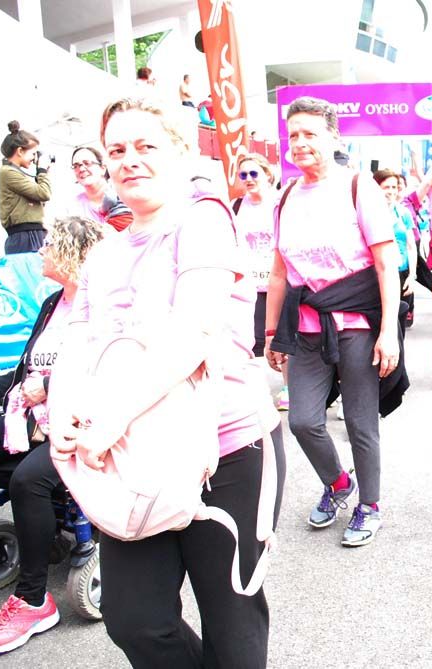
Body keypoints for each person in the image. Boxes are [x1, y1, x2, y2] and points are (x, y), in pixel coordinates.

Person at [49, 96, 279, 668]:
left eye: (146, 145)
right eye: (117, 150)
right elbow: (77, 341)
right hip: (134, 462)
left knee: (232, 629)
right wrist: (62, 415)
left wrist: (110, 418)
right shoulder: (104, 250)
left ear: (179, 152)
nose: (130, 159)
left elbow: (190, 333)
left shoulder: (203, 220)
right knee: (137, 622)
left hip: (225, 453)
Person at [0, 216, 105, 655]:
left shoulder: (102, 308)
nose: (39, 254)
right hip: (29, 417)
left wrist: (55, 386)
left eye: (47, 247)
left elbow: (109, 374)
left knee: (28, 480)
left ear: (70, 252)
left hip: (80, 422)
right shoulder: (52, 304)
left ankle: (33, 599)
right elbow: (26, 373)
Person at [265, 96, 400, 548]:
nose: (300, 143)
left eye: (310, 134)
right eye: (294, 135)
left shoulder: (358, 186)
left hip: (357, 323)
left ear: (333, 138)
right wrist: (270, 332)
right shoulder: (284, 196)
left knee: (362, 423)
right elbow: (280, 271)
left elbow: (385, 263)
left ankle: (370, 504)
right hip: (304, 327)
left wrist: (389, 333)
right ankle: (339, 484)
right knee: (303, 420)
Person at [232, 154, 287, 411]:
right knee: (252, 340)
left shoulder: (280, 203)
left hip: (279, 280)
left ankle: (289, 386)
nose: (249, 180)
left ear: (267, 174)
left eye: (254, 173)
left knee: (283, 337)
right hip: (249, 284)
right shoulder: (235, 207)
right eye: (243, 175)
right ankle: (259, 390)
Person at [0, 121, 53, 254]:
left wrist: (43, 173)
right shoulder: (7, 172)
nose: (34, 158)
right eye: (33, 153)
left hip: (30, 234)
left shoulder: (15, 172)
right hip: (25, 236)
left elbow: (40, 200)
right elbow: (44, 193)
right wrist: (42, 170)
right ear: (20, 151)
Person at [373, 168, 418, 331]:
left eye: (394, 187)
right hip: (376, 274)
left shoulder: (403, 213)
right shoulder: (368, 213)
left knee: (399, 322)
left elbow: (411, 246)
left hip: (401, 272)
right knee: (379, 321)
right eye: (386, 187)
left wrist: (412, 275)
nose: (391, 192)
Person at [61, 145, 133, 231]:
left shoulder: (125, 193)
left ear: (103, 168)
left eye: (87, 163)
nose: (81, 169)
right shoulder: (72, 207)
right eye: (76, 166)